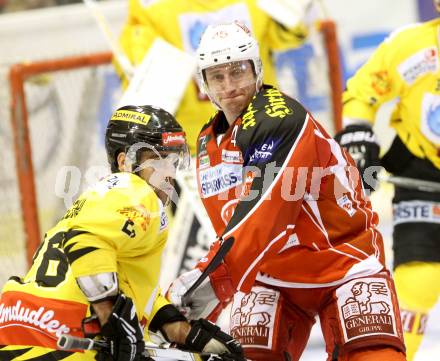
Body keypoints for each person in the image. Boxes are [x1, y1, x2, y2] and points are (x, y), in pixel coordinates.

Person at [166, 22, 407, 361]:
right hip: (271, 278)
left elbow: (265, 215)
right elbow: (231, 226)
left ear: (258, 70)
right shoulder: (208, 142)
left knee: (375, 357)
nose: (230, 87)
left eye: (238, 72)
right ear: (203, 83)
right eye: (217, 77)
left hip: (343, 262)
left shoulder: (279, 118)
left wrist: (213, 280)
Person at [0, 105, 244, 361]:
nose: (169, 172)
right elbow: (87, 240)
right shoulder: (135, 190)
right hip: (61, 344)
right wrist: (110, 321)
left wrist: (182, 331)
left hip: (17, 335)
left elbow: (126, 286)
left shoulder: (98, 201)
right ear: (124, 162)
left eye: (172, 160)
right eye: (158, 159)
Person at [335, 3, 440, 360]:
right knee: (419, 277)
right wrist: (357, 132)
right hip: (421, 169)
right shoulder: (411, 47)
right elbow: (363, 90)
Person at [118, 0, 309, 153]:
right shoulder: (149, 6)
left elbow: (288, 35)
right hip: (195, 148)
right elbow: (141, 75)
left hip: (264, 133)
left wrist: (293, 13)